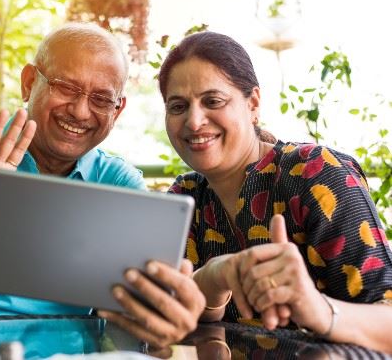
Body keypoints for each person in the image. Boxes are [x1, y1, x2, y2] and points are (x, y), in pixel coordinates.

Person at [0, 22, 204, 349]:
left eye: (101, 98)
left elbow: (132, 323)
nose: (80, 111)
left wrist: (165, 311)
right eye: (66, 87)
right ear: (29, 82)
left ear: (118, 110)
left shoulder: (120, 184)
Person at [157, 30, 392, 353]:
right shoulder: (186, 198)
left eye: (213, 101)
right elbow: (167, 317)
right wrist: (211, 280)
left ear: (253, 104)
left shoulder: (315, 173)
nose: (194, 121)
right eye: (178, 106)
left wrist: (319, 310)